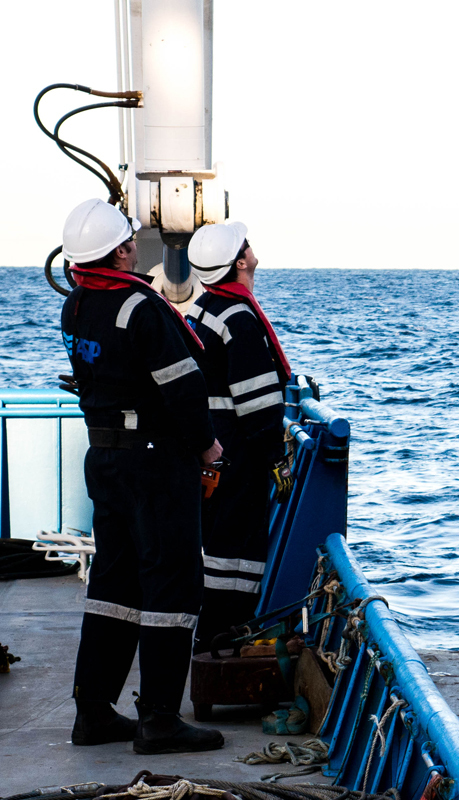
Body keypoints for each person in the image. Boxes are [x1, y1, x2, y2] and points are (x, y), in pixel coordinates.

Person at [60, 198, 225, 754]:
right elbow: (183, 389)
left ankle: (93, 711)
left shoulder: (76, 306)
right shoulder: (142, 307)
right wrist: (209, 447)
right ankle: (159, 718)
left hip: (104, 459)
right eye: (129, 242)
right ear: (123, 251)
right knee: (171, 584)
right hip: (155, 465)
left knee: (113, 583)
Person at [186, 222, 292, 653]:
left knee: (216, 549)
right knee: (240, 552)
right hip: (239, 457)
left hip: (213, 451)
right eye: (246, 245)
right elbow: (258, 403)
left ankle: (210, 634)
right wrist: (275, 458)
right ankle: (226, 637)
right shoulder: (239, 318)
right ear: (240, 261)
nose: (252, 248)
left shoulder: (203, 309)